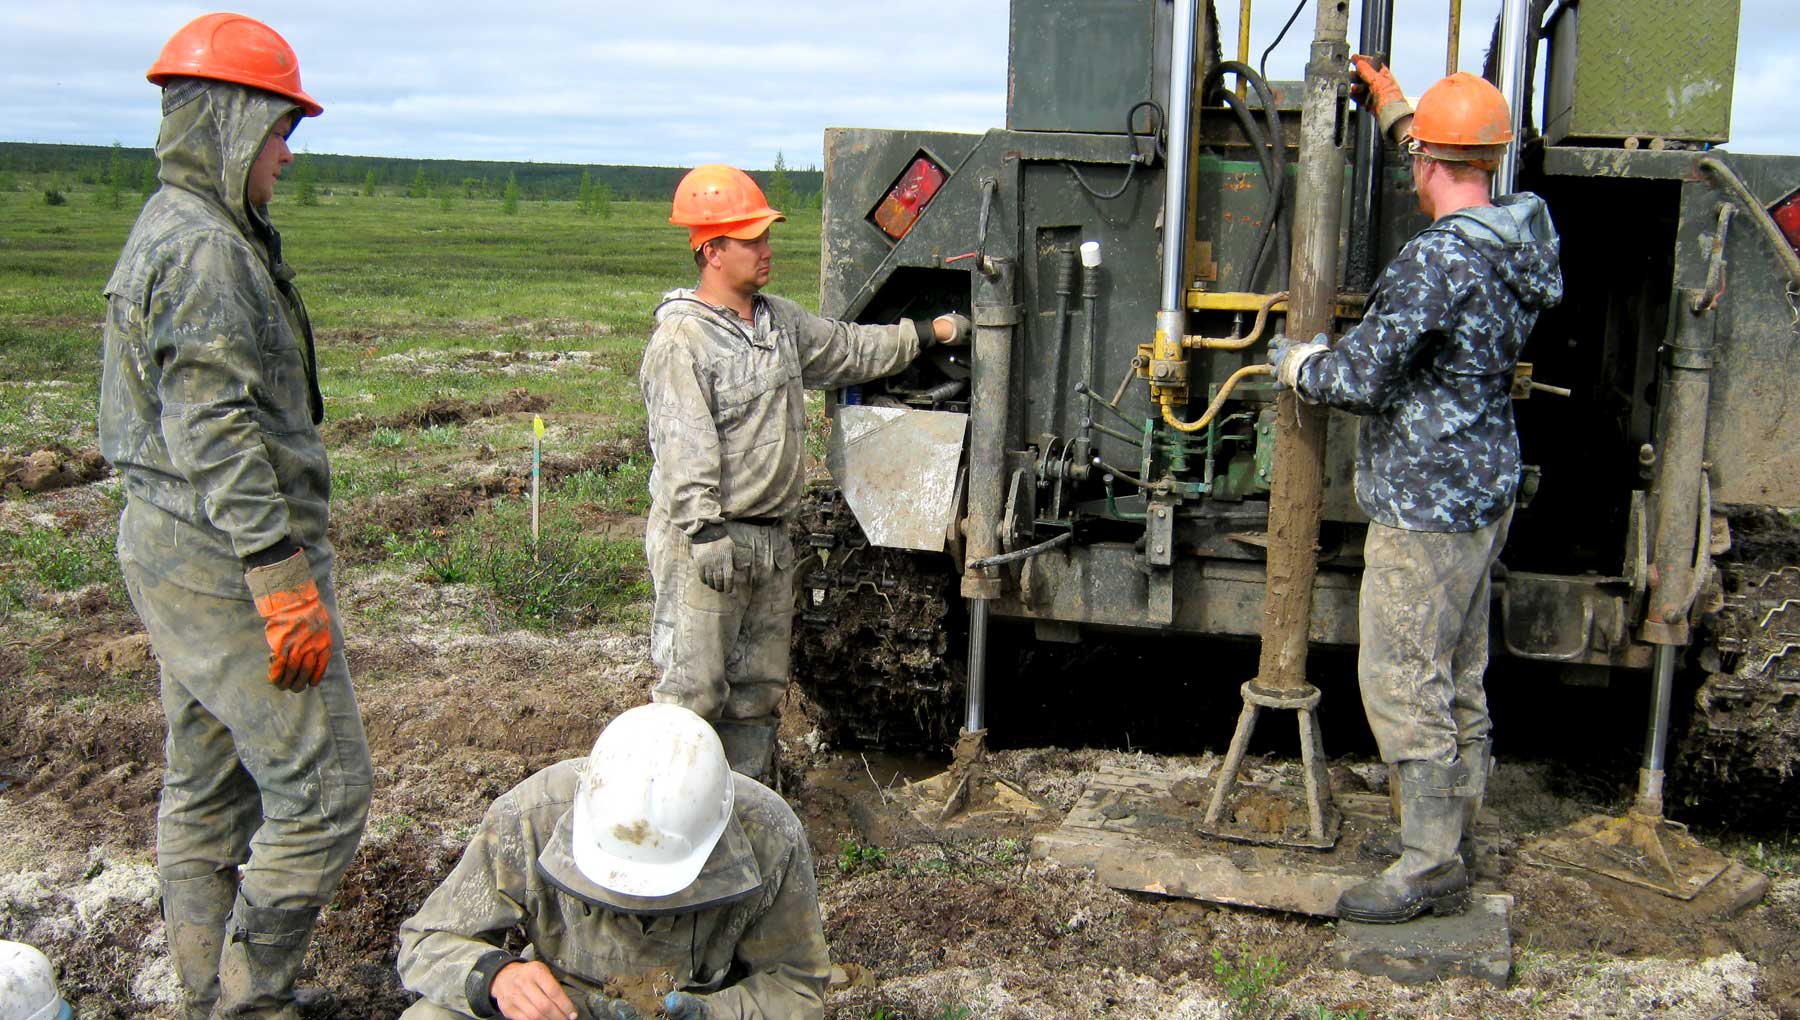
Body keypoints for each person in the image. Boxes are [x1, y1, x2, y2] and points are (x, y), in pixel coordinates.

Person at [98, 14, 371, 1017]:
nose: (288, 156)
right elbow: (214, 428)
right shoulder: (206, 250)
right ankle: (248, 1003)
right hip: (220, 555)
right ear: (227, 123)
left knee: (209, 781)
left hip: (177, 543)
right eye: (279, 130)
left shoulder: (184, 228)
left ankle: (200, 992)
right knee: (325, 790)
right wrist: (277, 573)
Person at [1269, 62, 1563, 923]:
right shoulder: (1522, 236)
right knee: (1460, 670)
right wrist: (1399, 107)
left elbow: (1361, 377)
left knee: (1403, 675)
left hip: (1425, 498)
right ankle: (1457, 830)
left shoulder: (1436, 265)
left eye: (1414, 153)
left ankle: (1430, 862)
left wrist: (1300, 365)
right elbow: (1448, 154)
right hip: (1486, 485)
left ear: (1428, 165)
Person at [641, 164, 969, 783]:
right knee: (692, 698)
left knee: (757, 695)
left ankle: (744, 815)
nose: (767, 251)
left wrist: (928, 333)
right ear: (712, 251)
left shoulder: (778, 324)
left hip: (769, 539)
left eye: (766, 237)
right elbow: (682, 445)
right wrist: (704, 532)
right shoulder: (683, 342)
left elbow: (848, 350)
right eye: (752, 240)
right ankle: (675, 828)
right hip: (709, 541)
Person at [396, 703, 829, 1020]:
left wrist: (712, 1015)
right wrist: (494, 977)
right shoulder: (531, 818)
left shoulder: (769, 835)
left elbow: (797, 984)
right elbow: (425, 942)